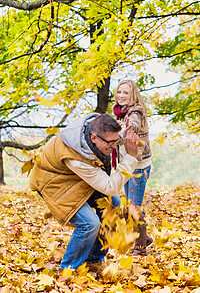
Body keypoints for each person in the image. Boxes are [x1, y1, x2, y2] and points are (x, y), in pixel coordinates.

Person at [29, 113, 139, 275]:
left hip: (74, 177)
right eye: (110, 143)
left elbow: (107, 136)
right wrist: (131, 157)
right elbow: (110, 187)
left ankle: (94, 259)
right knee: (89, 223)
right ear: (94, 138)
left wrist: (124, 135)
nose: (114, 146)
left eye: (116, 141)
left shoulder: (92, 130)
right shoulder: (76, 156)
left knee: (114, 204)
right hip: (54, 183)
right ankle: (67, 270)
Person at [112, 79, 152, 256]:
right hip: (128, 164)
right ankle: (144, 237)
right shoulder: (120, 113)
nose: (121, 96)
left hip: (138, 166)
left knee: (134, 207)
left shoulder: (135, 112)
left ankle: (140, 248)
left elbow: (133, 126)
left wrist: (129, 128)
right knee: (129, 206)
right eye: (119, 92)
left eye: (125, 93)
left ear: (133, 95)